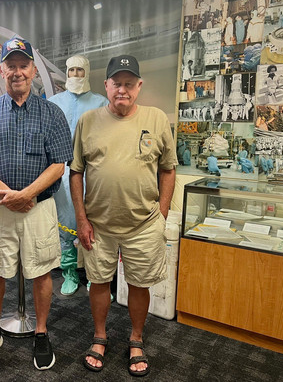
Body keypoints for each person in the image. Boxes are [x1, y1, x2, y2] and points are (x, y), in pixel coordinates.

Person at [0, 38, 72, 371]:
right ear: (1, 70)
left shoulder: (52, 113)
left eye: (23, 65)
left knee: (41, 271)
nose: (17, 72)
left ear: (33, 70)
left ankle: (41, 331)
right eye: (10, 65)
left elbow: (58, 164)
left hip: (38, 208)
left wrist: (26, 195)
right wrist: (6, 194)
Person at [70, 55, 177, 376]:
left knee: (140, 284)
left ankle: (136, 338)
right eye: (117, 83)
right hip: (98, 225)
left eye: (129, 84)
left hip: (143, 224)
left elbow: (168, 169)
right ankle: (99, 336)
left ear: (139, 86)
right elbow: (76, 172)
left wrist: (162, 214)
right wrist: (81, 219)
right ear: (106, 85)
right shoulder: (88, 121)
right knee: (99, 282)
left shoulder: (156, 118)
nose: (123, 90)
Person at [49, 55, 108, 296]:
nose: (75, 74)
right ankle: (69, 273)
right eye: (71, 70)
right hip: (62, 173)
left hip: (93, 173)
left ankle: (96, 277)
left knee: (95, 224)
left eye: (80, 70)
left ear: (87, 72)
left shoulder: (101, 102)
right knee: (66, 225)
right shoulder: (54, 103)